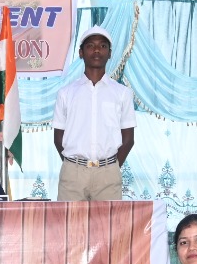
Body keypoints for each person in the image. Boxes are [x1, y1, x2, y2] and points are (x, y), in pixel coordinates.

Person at [52, 26, 135, 202]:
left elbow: (128, 139)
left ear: (110, 53)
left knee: (108, 221)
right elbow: (58, 138)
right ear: (81, 53)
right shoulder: (66, 93)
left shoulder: (122, 93)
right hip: (72, 175)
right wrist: (73, 165)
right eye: (90, 46)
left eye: (102, 46)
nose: (97, 50)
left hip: (108, 175)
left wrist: (111, 168)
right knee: (70, 220)